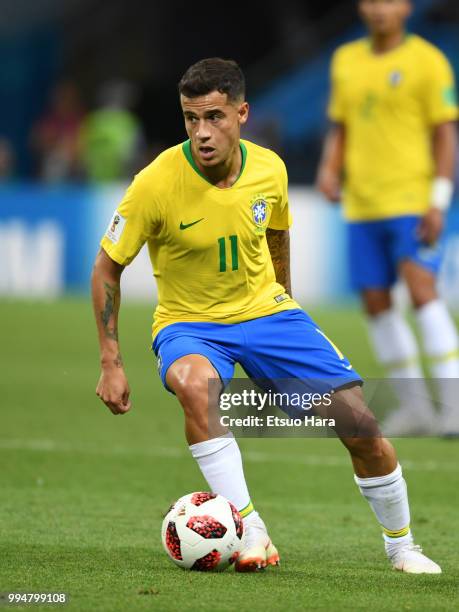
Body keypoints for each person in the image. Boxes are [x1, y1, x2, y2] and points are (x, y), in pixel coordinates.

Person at [92, 57, 440, 573]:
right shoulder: (154, 183)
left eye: (215, 117)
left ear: (242, 113)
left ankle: (401, 544)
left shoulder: (269, 169)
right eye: (191, 119)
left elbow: (277, 234)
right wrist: (111, 360)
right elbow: (106, 268)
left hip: (268, 316)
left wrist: (286, 310)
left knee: (361, 426)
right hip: (190, 325)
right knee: (194, 386)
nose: (202, 132)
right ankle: (251, 528)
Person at [317, 0, 459, 436]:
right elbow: (341, 126)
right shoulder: (346, 60)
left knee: (422, 291)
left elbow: (445, 134)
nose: (380, 9)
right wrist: (328, 166)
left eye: (389, 1)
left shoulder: (428, 61)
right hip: (362, 205)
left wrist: (438, 199)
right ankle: (416, 409)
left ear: (407, 7)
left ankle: (453, 408)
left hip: (413, 202)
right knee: (376, 305)